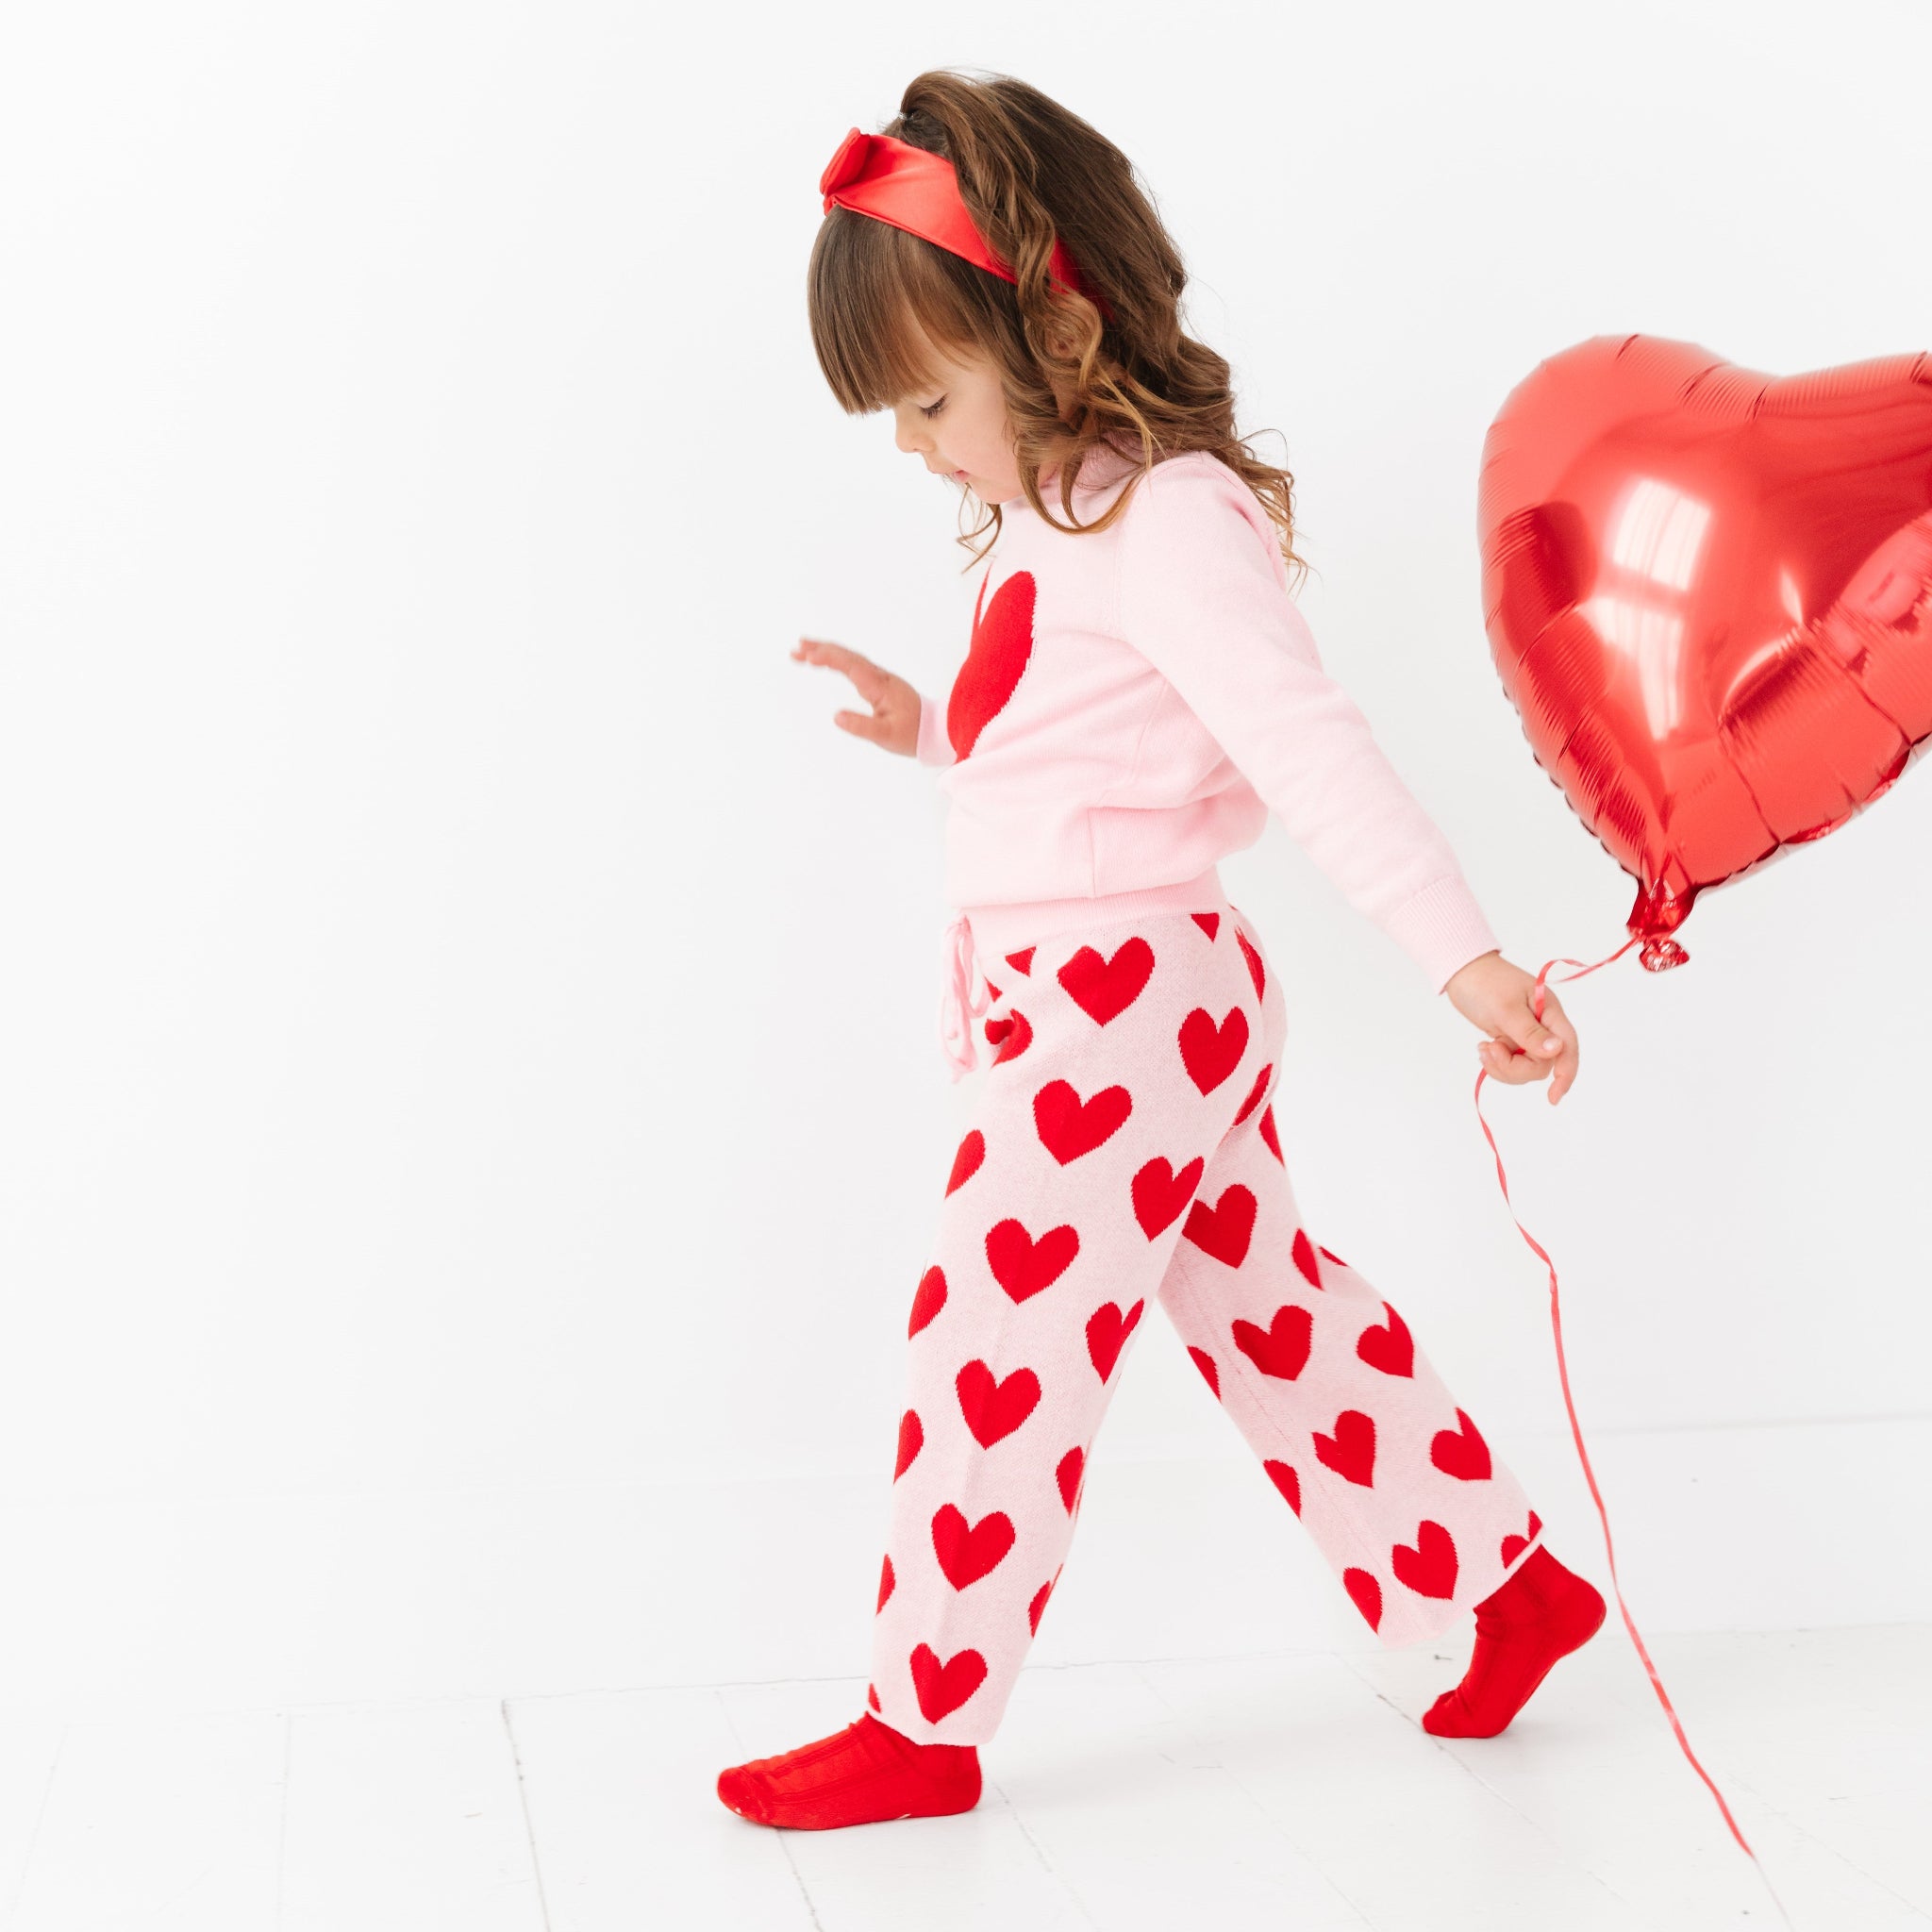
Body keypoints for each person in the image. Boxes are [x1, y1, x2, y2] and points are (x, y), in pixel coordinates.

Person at [717, 70, 1606, 1832]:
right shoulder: (1059, 518)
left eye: (927, 402)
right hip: (1109, 1000)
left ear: (1050, 324)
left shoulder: (1165, 519)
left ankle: (923, 1718)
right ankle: (1499, 1587)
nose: (913, 446)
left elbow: (1308, 752)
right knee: (1266, 1313)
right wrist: (933, 739)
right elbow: (1089, 757)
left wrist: (1464, 959)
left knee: (991, 1338)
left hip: (1121, 1005)